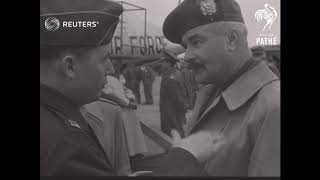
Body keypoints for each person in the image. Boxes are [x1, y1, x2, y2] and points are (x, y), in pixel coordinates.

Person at [40, 0, 225, 176]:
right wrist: (185, 155)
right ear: (70, 66)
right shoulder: (64, 142)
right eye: (104, 58)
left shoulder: (55, 119)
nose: (110, 68)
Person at [163, 0, 280, 176]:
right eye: (186, 46)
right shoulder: (210, 90)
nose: (186, 56)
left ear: (232, 39)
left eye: (196, 42)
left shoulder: (273, 106)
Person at [159, 51, 188, 138]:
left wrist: (182, 110)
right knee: (176, 131)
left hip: (171, 112)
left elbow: (177, 98)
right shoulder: (174, 73)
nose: (162, 64)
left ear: (169, 63)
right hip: (171, 111)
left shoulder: (170, 78)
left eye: (164, 62)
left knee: (174, 133)